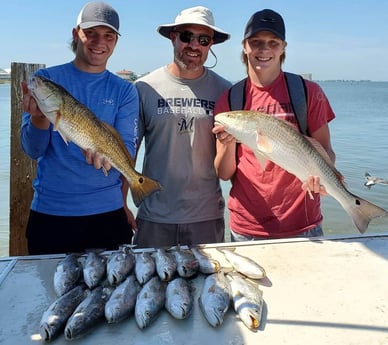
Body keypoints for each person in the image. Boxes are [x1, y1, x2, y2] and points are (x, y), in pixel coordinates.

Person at [21, 2, 139, 254]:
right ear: (76, 34)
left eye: (108, 35)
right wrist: (40, 119)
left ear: (116, 41)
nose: (100, 42)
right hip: (51, 212)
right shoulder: (47, 80)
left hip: (107, 214)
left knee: (111, 292)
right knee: (49, 290)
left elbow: (128, 145)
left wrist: (110, 160)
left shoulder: (125, 90)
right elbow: (32, 150)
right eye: (91, 33)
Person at [213, 9, 336, 241]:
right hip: (246, 227)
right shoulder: (230, 99)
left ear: (283, 47)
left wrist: (323, 180)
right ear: (244, 46)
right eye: (256, 42)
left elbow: (326, 151)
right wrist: (227, 144)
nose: (264, 49)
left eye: (273, 42)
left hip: (303, 225)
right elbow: (224, 172)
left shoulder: (308, 92)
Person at [133, 6, 231, 248]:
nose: (194, 45)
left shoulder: (225, 91)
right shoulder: (143, 87)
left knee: (209, 285)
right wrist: (120, 202)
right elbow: (128, 152)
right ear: (173, 38)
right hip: (153, 215)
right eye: (187, 36)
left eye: (203, 39)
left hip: (206, 216)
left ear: (211, 45)